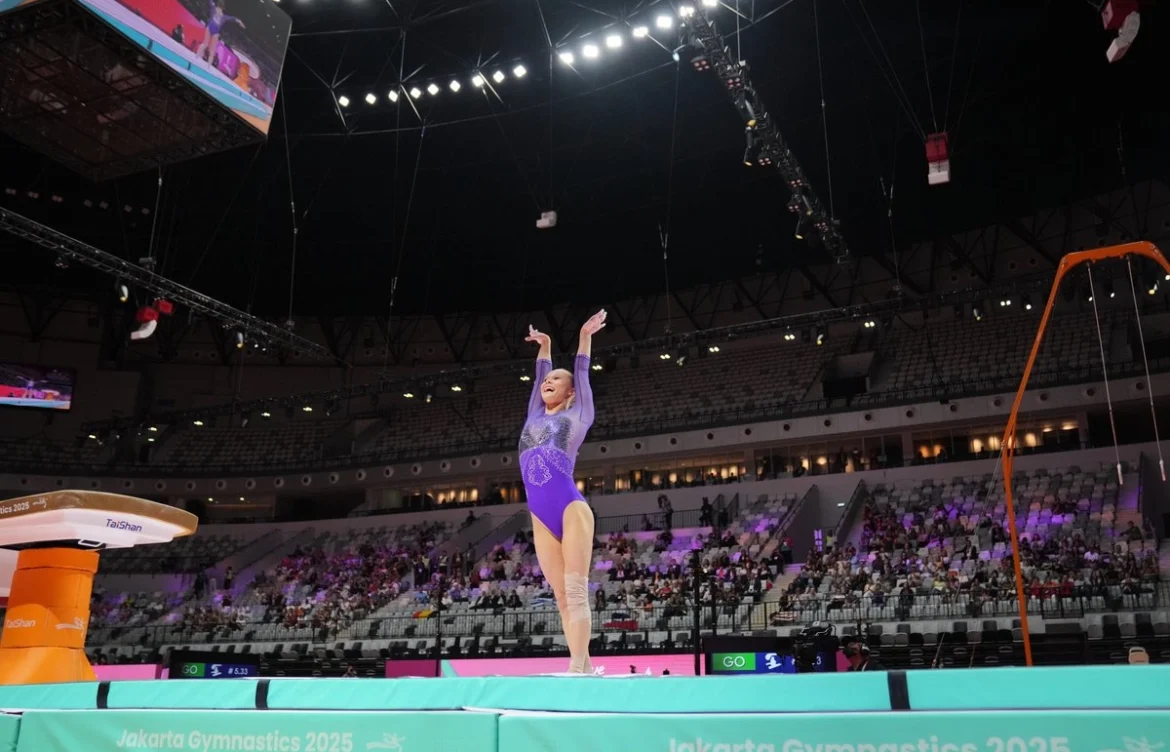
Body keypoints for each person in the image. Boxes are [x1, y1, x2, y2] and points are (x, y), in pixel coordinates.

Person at [521, 309, 606, 674]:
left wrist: (585, 337)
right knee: (560, 597)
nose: (547, 382)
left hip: (570, 507)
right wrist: (546, 346)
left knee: (575, 590)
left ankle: (576, 668)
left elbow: (582, 372)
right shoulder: (534, 417)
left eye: (557, 379)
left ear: (571, 392)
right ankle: (583, 667)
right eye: (546, 379)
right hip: (540, 513)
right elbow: (540, 373)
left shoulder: (579, 413)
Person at [197, 0, 245, 66]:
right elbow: (233, 19)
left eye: (220, 9)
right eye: (218, 8)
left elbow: (233, 19)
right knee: (207, 46)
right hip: (212, 30)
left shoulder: (221, 14)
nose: (219, 10)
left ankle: (205, 64)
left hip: (214, 31)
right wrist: (239, 21)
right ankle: (199, 59)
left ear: (221, 8)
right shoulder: (216, 10)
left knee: (210, 48)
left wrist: (239, 21)